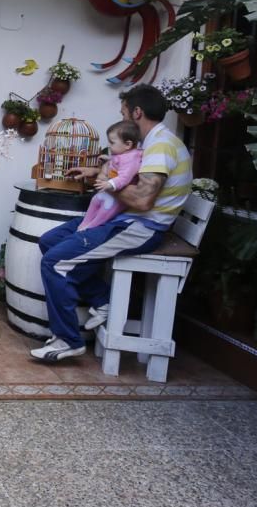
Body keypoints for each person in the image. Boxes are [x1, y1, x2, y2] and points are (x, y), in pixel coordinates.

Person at [29, 84, 192, 363]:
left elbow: (142, 201)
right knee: (49, 242)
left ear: (137, 112)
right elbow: (132, 175)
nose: (122, 117)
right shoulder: (151, 142)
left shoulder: (161, 145)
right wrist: (97, 170)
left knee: (54, 263)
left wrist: (104, 182)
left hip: (141, 227)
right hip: (124, 219)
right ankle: (103, 299)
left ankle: (68, 339)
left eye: (124, 112)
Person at [78, 120, 142, 231]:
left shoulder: (132, 160)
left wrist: (109, 184)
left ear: (128, 144)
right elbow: (118, 164)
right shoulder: (122, 154)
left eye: (112, 143)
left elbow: (124, 177)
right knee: (96, 199)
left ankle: (92, 227)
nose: (109, 145)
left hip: (120, 196)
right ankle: (85, 223)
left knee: (106, 207)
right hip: (112, 191)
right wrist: (109, 160)